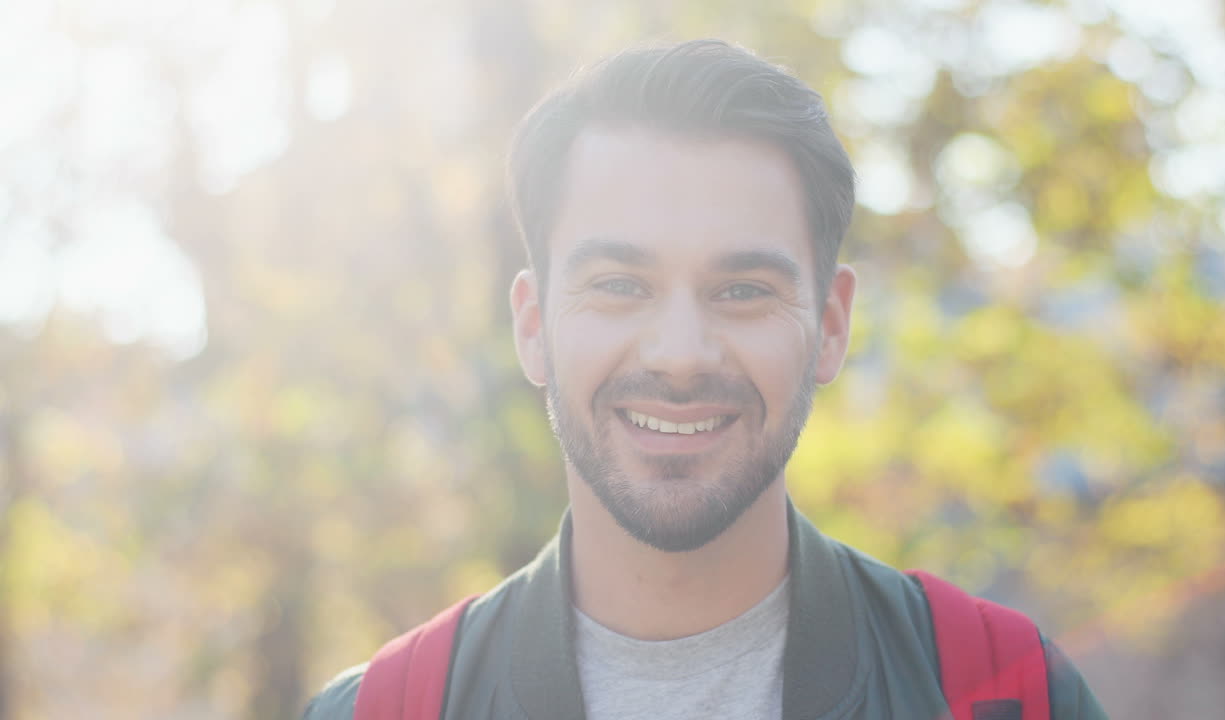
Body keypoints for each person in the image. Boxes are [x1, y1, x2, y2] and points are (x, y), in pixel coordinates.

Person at [304, 39, 1108, 720]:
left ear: (830, 326)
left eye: (743, 291)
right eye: (621, 285)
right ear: (534, 326)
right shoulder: (380, 710)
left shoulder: (1005, 693)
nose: (681, 355)